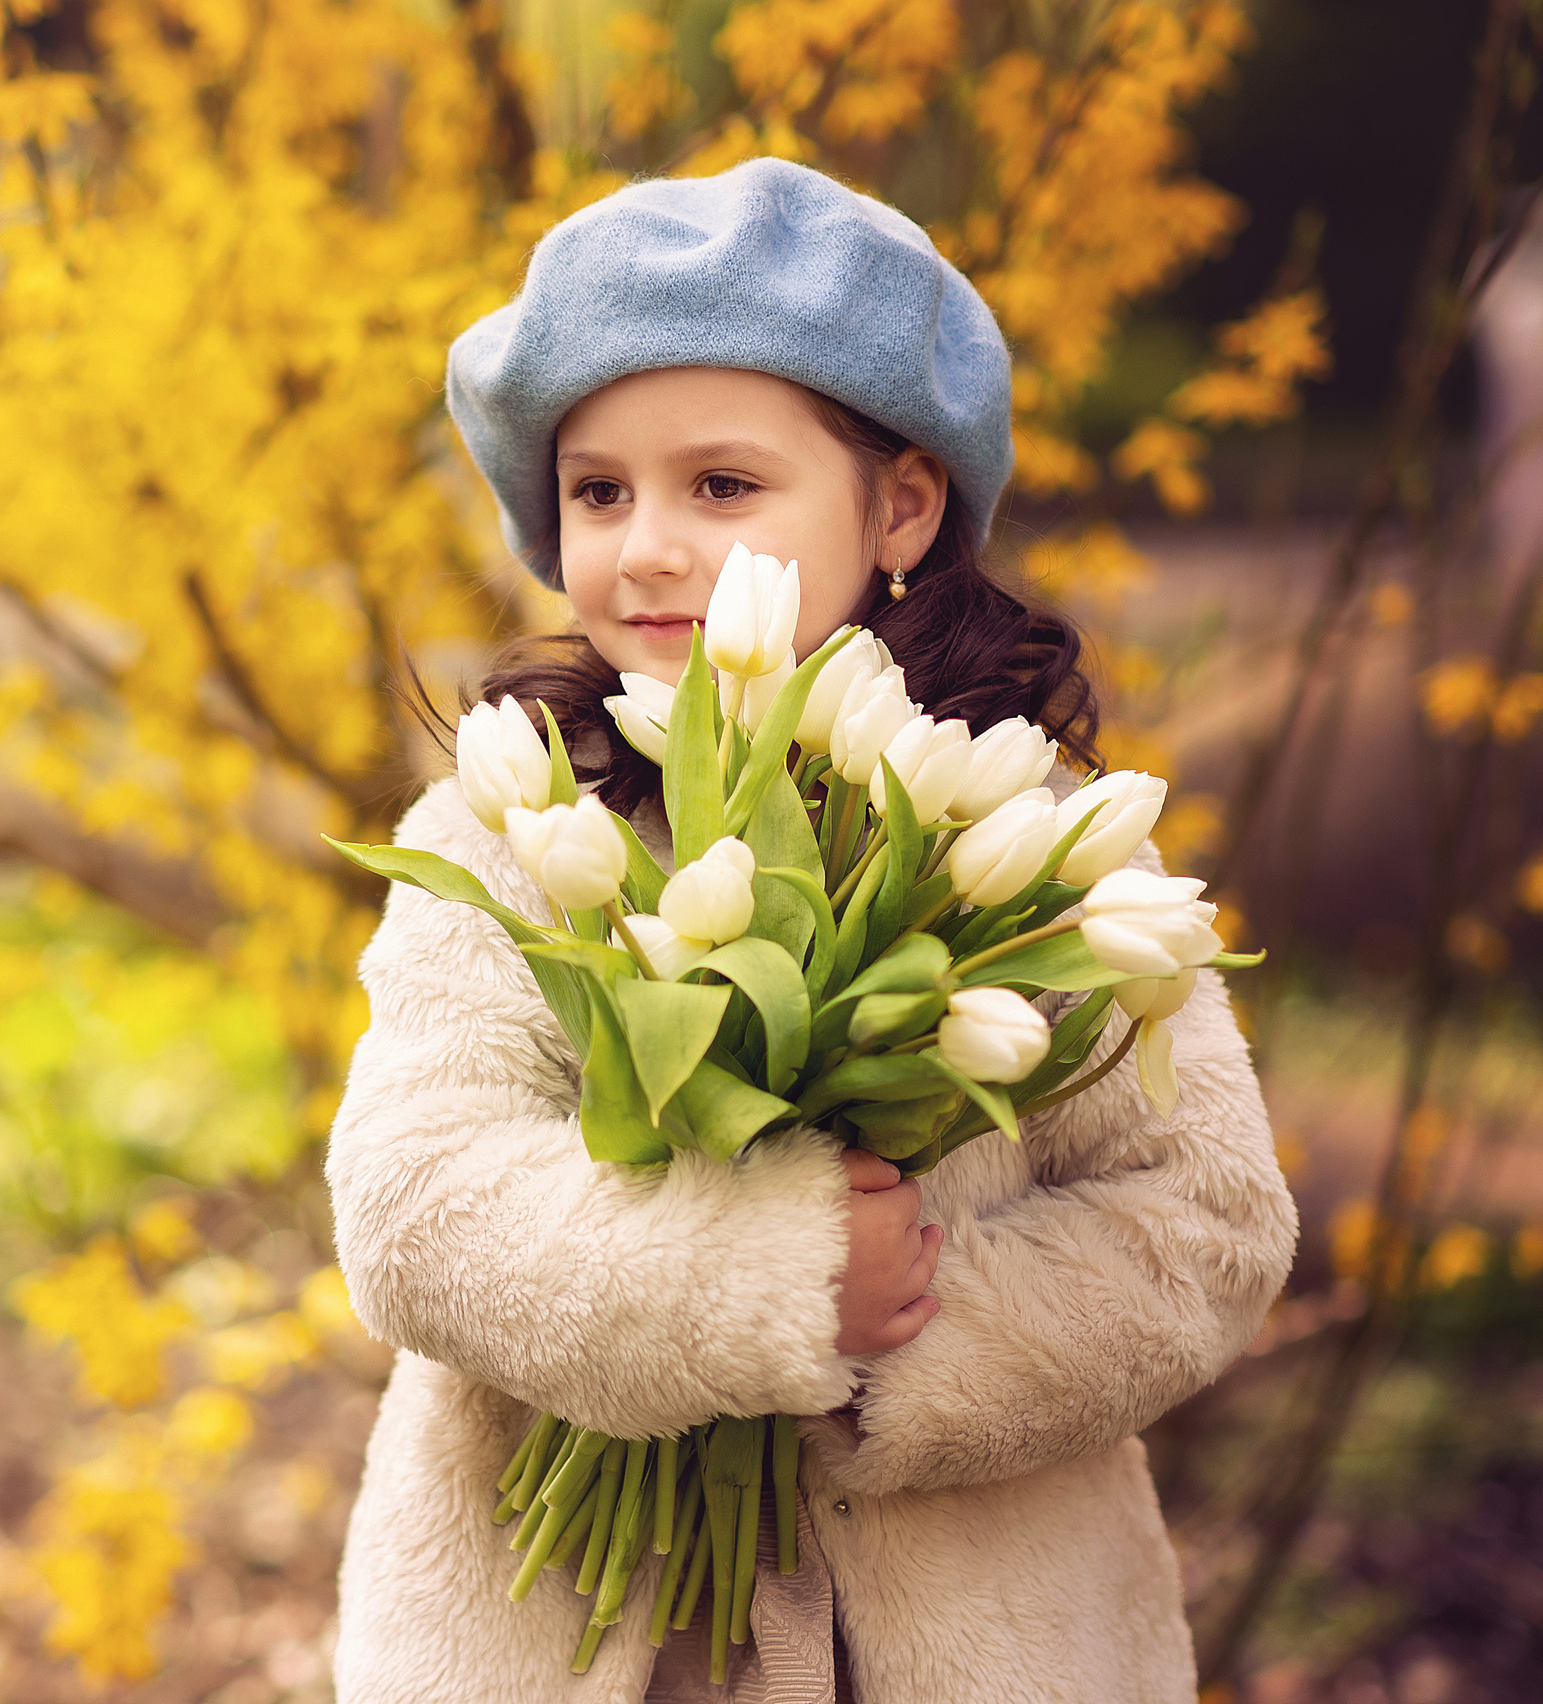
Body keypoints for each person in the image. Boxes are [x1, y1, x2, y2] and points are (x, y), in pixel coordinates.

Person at [325, 159, 1297, 1704]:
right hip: (579, 1637)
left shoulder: (1019, 834)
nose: (645, 546)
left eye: (720, 486)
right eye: (599, 491)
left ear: (901, 504)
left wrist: (906, 1329)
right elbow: (415, 1205)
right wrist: (754, 1279)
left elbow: (1206, 1223)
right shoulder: (517, 825)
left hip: (974, 1638)